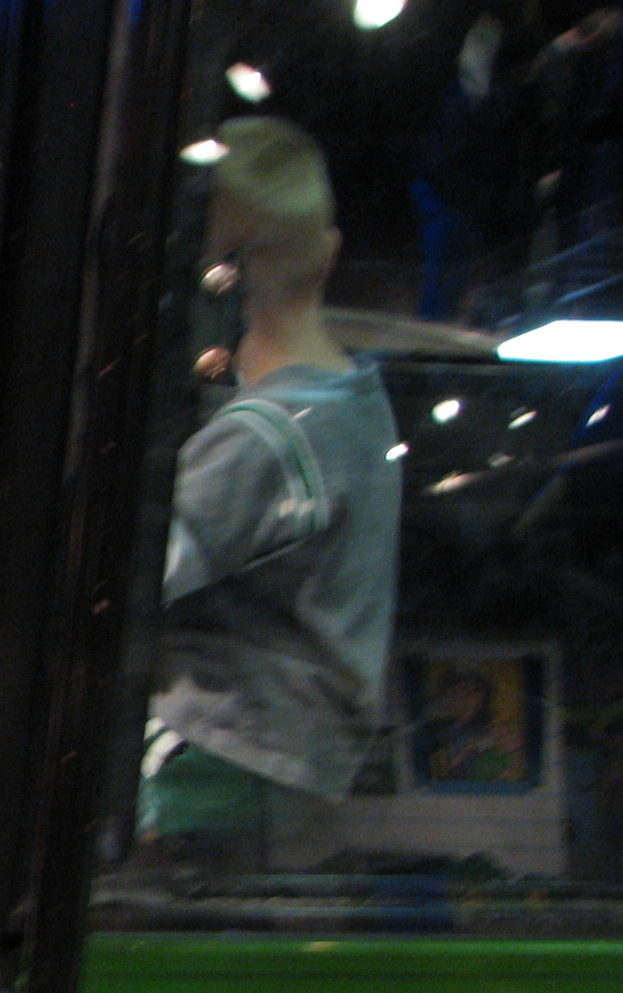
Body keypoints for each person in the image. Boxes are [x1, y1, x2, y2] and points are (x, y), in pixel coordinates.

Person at [142, 117, 402, 872]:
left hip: (223, 759)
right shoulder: (356, 403)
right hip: (299, 764)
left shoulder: (265, 437)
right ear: (330, 250)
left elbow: (131, 577)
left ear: (215, 279)